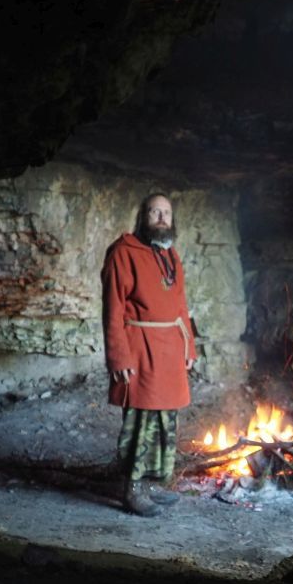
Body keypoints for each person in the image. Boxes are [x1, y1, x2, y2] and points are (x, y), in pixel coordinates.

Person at [100, 193, 198, 516]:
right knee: (140, 421)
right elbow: (113, 309)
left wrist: (190, 347)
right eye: (155, 211)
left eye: (166, 212)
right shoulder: (123, 253)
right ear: (143, 216)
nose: (161, 217)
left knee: (165, 421)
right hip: (140, 349)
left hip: (170, 351)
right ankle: (131, 488)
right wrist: (119, 357)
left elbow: (181, 306)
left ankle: (153, 483)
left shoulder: (172, 257)